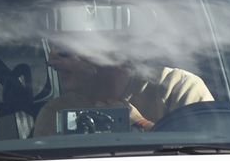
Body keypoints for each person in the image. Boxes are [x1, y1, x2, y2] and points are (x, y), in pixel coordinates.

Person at [33, 34, 213, 135]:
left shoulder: (179, 89)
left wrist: (140, 124)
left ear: (103, 54)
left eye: (63, 51)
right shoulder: (55, 113)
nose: (50, 61)